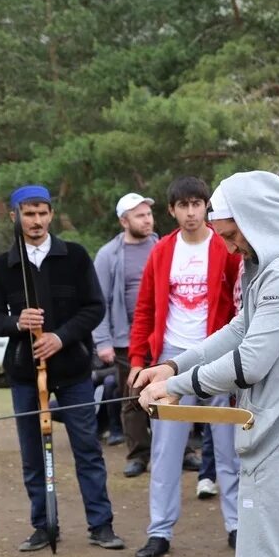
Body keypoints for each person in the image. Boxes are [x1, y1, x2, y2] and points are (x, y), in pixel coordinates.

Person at [135, 171, 279, 557]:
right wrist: (172, 366)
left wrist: (179, 386)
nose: (232, 249)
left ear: (258, 220)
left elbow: (249, 363)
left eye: (234, 235)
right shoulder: (275, 261)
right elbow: (239, 330)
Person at [0, 185, 125, 552]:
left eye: (42, 213)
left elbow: (94, 307)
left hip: (74, 369)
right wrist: (16, 324)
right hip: (24, 374)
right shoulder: (3, 266)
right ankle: (42, 525)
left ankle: (101, 525)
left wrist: (61, 337)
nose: (36, 221)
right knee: (32, 454)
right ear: (14, 216)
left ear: (50, 214)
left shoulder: (76, 256)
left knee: (87, 450)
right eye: (28, 214)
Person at [127, 176, 241, 557]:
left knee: (228, 448)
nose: (191, 213)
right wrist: (140, 361)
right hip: (170, 361)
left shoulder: (226, 247)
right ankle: (159, 531)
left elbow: (240, 307)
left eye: (197, 204)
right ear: (171, 210)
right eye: (183, 205)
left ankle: (237, 525)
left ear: (207, 206)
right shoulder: (162, 251)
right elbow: (144, 309)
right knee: (165, 450)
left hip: (216, 356)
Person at [92, 192, 161, 475]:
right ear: (124, 221)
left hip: (161, 338)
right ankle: (138, 454)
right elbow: (99, 301)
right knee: (131, 396)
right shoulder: (109, 254)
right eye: (139, 216)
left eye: (148, 214)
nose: (147, 220)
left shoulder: (162, 246)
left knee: (169, 395)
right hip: (124, 340)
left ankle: (182, 451)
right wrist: (103, 341)